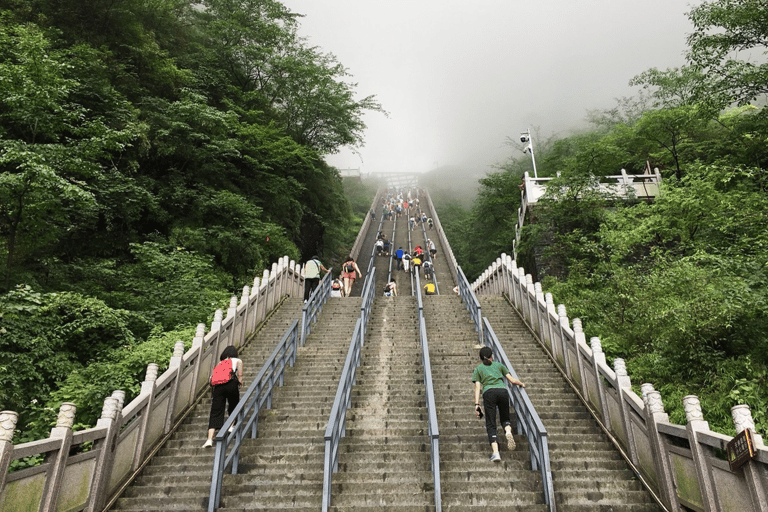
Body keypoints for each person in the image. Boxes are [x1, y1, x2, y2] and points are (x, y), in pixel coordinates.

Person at [472, 347, 525, 462]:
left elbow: (477, 387)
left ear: (481, 358)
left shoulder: (478, 369)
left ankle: (496, 453)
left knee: (491, 423)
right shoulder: (499, 365)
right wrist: (521, 383)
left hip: (489, 393)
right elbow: (512, 380)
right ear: (492, 356)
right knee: (505, 417)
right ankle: (508, 431)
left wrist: (477, 404)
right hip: (502, 392)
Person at [203, 346, 244, 447]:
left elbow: (212, 378)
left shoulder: (220, 363)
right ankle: (231, 426)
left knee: (215, 411)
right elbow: (240, 375)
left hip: (218, 388)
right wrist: (240, 381)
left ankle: (209, 439)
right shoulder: (237, 360)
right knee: (234, 405)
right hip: (231, 384)